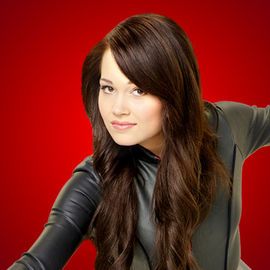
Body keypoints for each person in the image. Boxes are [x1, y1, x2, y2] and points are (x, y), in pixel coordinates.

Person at [8, 13, 270, 270]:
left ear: (174, 91)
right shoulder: (95, 180)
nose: (117, 108)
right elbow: (35, 263)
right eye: (108, 88)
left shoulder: (223, 125)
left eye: (138, 90)